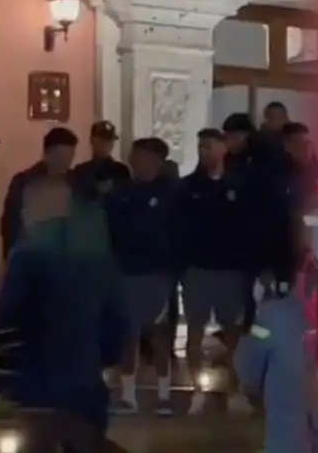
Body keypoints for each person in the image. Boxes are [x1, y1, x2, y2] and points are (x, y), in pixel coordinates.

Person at [0, 177, 127, 441]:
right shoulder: (98, 257)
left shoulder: (26, 258)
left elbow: (7, 323)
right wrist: (105, 359)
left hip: (31, 384)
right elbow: (116, 321)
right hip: (84, 381)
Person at [177, 128, 253, 415]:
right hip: (198, 269)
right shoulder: (188, 187)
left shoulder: (239, 185)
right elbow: (180, 229)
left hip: (230, 271)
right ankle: (197, 390)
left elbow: (248, 228)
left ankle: (235, 390)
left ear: (223, 148)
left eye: (209, 146)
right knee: (194, 332)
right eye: (200, 147)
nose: (204, 152)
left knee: (232, 332)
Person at [106, 137, 179, 416]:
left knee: (159, 335)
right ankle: (127, 396)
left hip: (157, 276)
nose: (136, 161)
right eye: (134, 156)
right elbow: (112, 233)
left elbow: (178, 233)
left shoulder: (170, 195)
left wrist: (173, 270)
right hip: (126, 274)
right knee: (128, 334)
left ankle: (163, 397)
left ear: (156, 161)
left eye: (142, 157)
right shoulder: (120, 194)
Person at [0, 127, 78, 257]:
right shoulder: (24, 182)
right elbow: (11, 225)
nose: (67, 162)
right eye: (62, 156)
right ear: (47, 153)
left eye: (70, 157)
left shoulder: (72, 182)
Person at [71, 120, 131, 195]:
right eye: (101, 140)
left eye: (109, 140)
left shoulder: (121, 171)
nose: (105, 144)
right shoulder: (81, 171)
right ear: (92, 140)